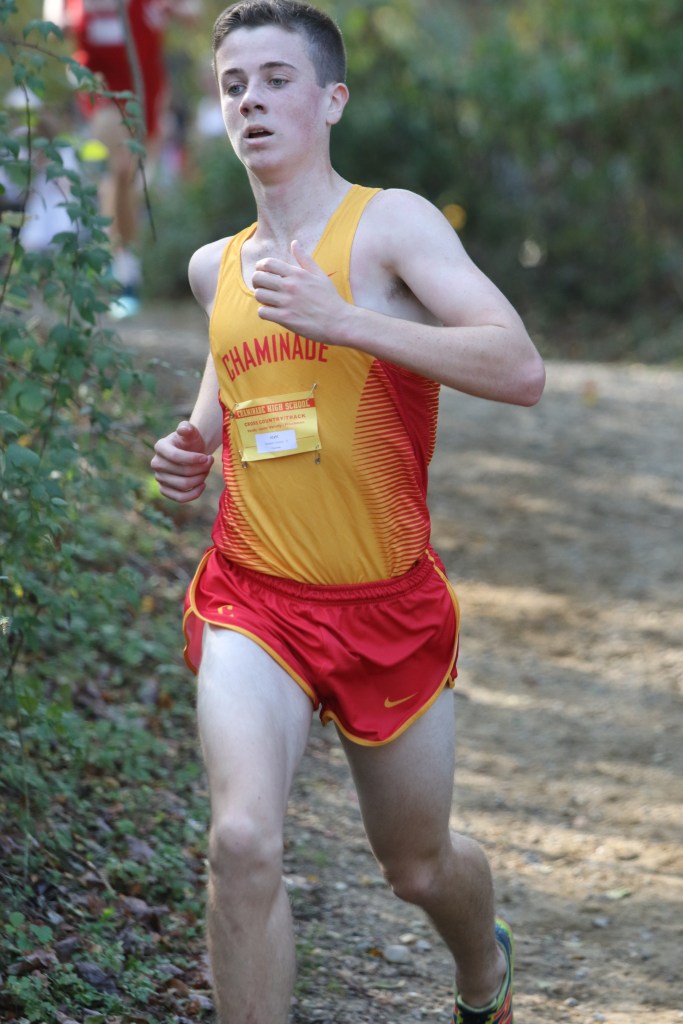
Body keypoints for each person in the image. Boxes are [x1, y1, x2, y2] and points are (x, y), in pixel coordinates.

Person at [151, 2, 545, 1021]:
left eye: (276, 79)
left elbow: (518, 368)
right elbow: (230, 394)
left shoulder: (391, 225)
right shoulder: (214, 267)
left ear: (331, 99)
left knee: (417, 866)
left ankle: (482, 968)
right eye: (233, 84)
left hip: (387, 607)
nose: (250, 101)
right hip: (255, 603)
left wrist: (347, 321)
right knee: (241, 841)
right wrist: (189, 450)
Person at [43, 0, 200, 315]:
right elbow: (52, 29)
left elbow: (192, 15)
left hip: (147, 92)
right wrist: (70, 18)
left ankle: (115, 252)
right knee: (123, 164)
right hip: (100, 88)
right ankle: (126, 270)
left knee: (129, 181)